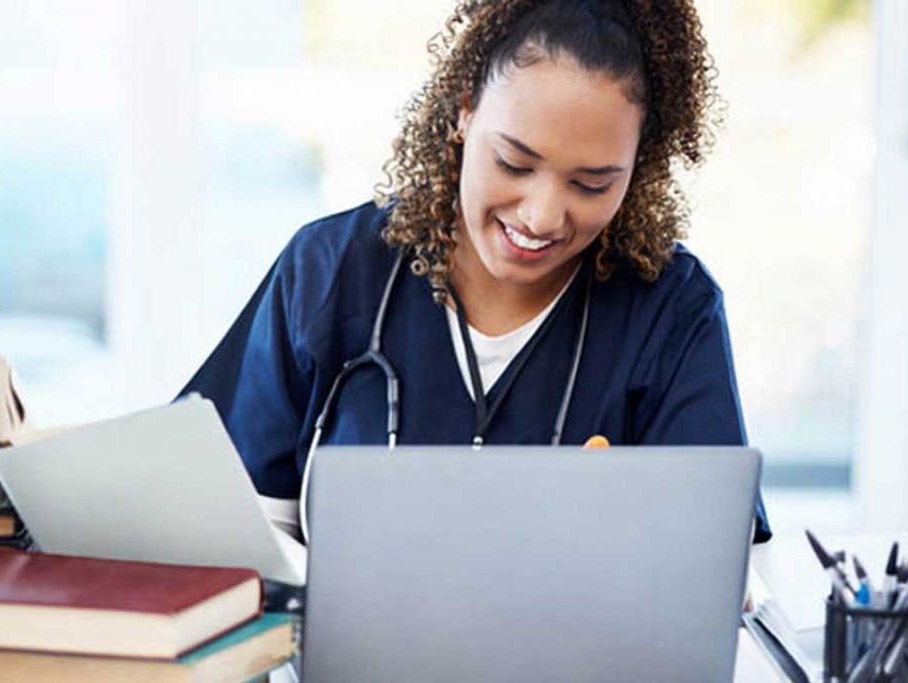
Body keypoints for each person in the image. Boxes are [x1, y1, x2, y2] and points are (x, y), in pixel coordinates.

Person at [181, 0, 771, 544]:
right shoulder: (330, 271)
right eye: (514, 163)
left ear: (638, 164)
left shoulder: (672, 310)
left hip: (576, 634)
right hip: (339, 632)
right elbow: (222, 523)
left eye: (592, 184)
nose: (542, 217)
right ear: (465, 109)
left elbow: (715, 562)